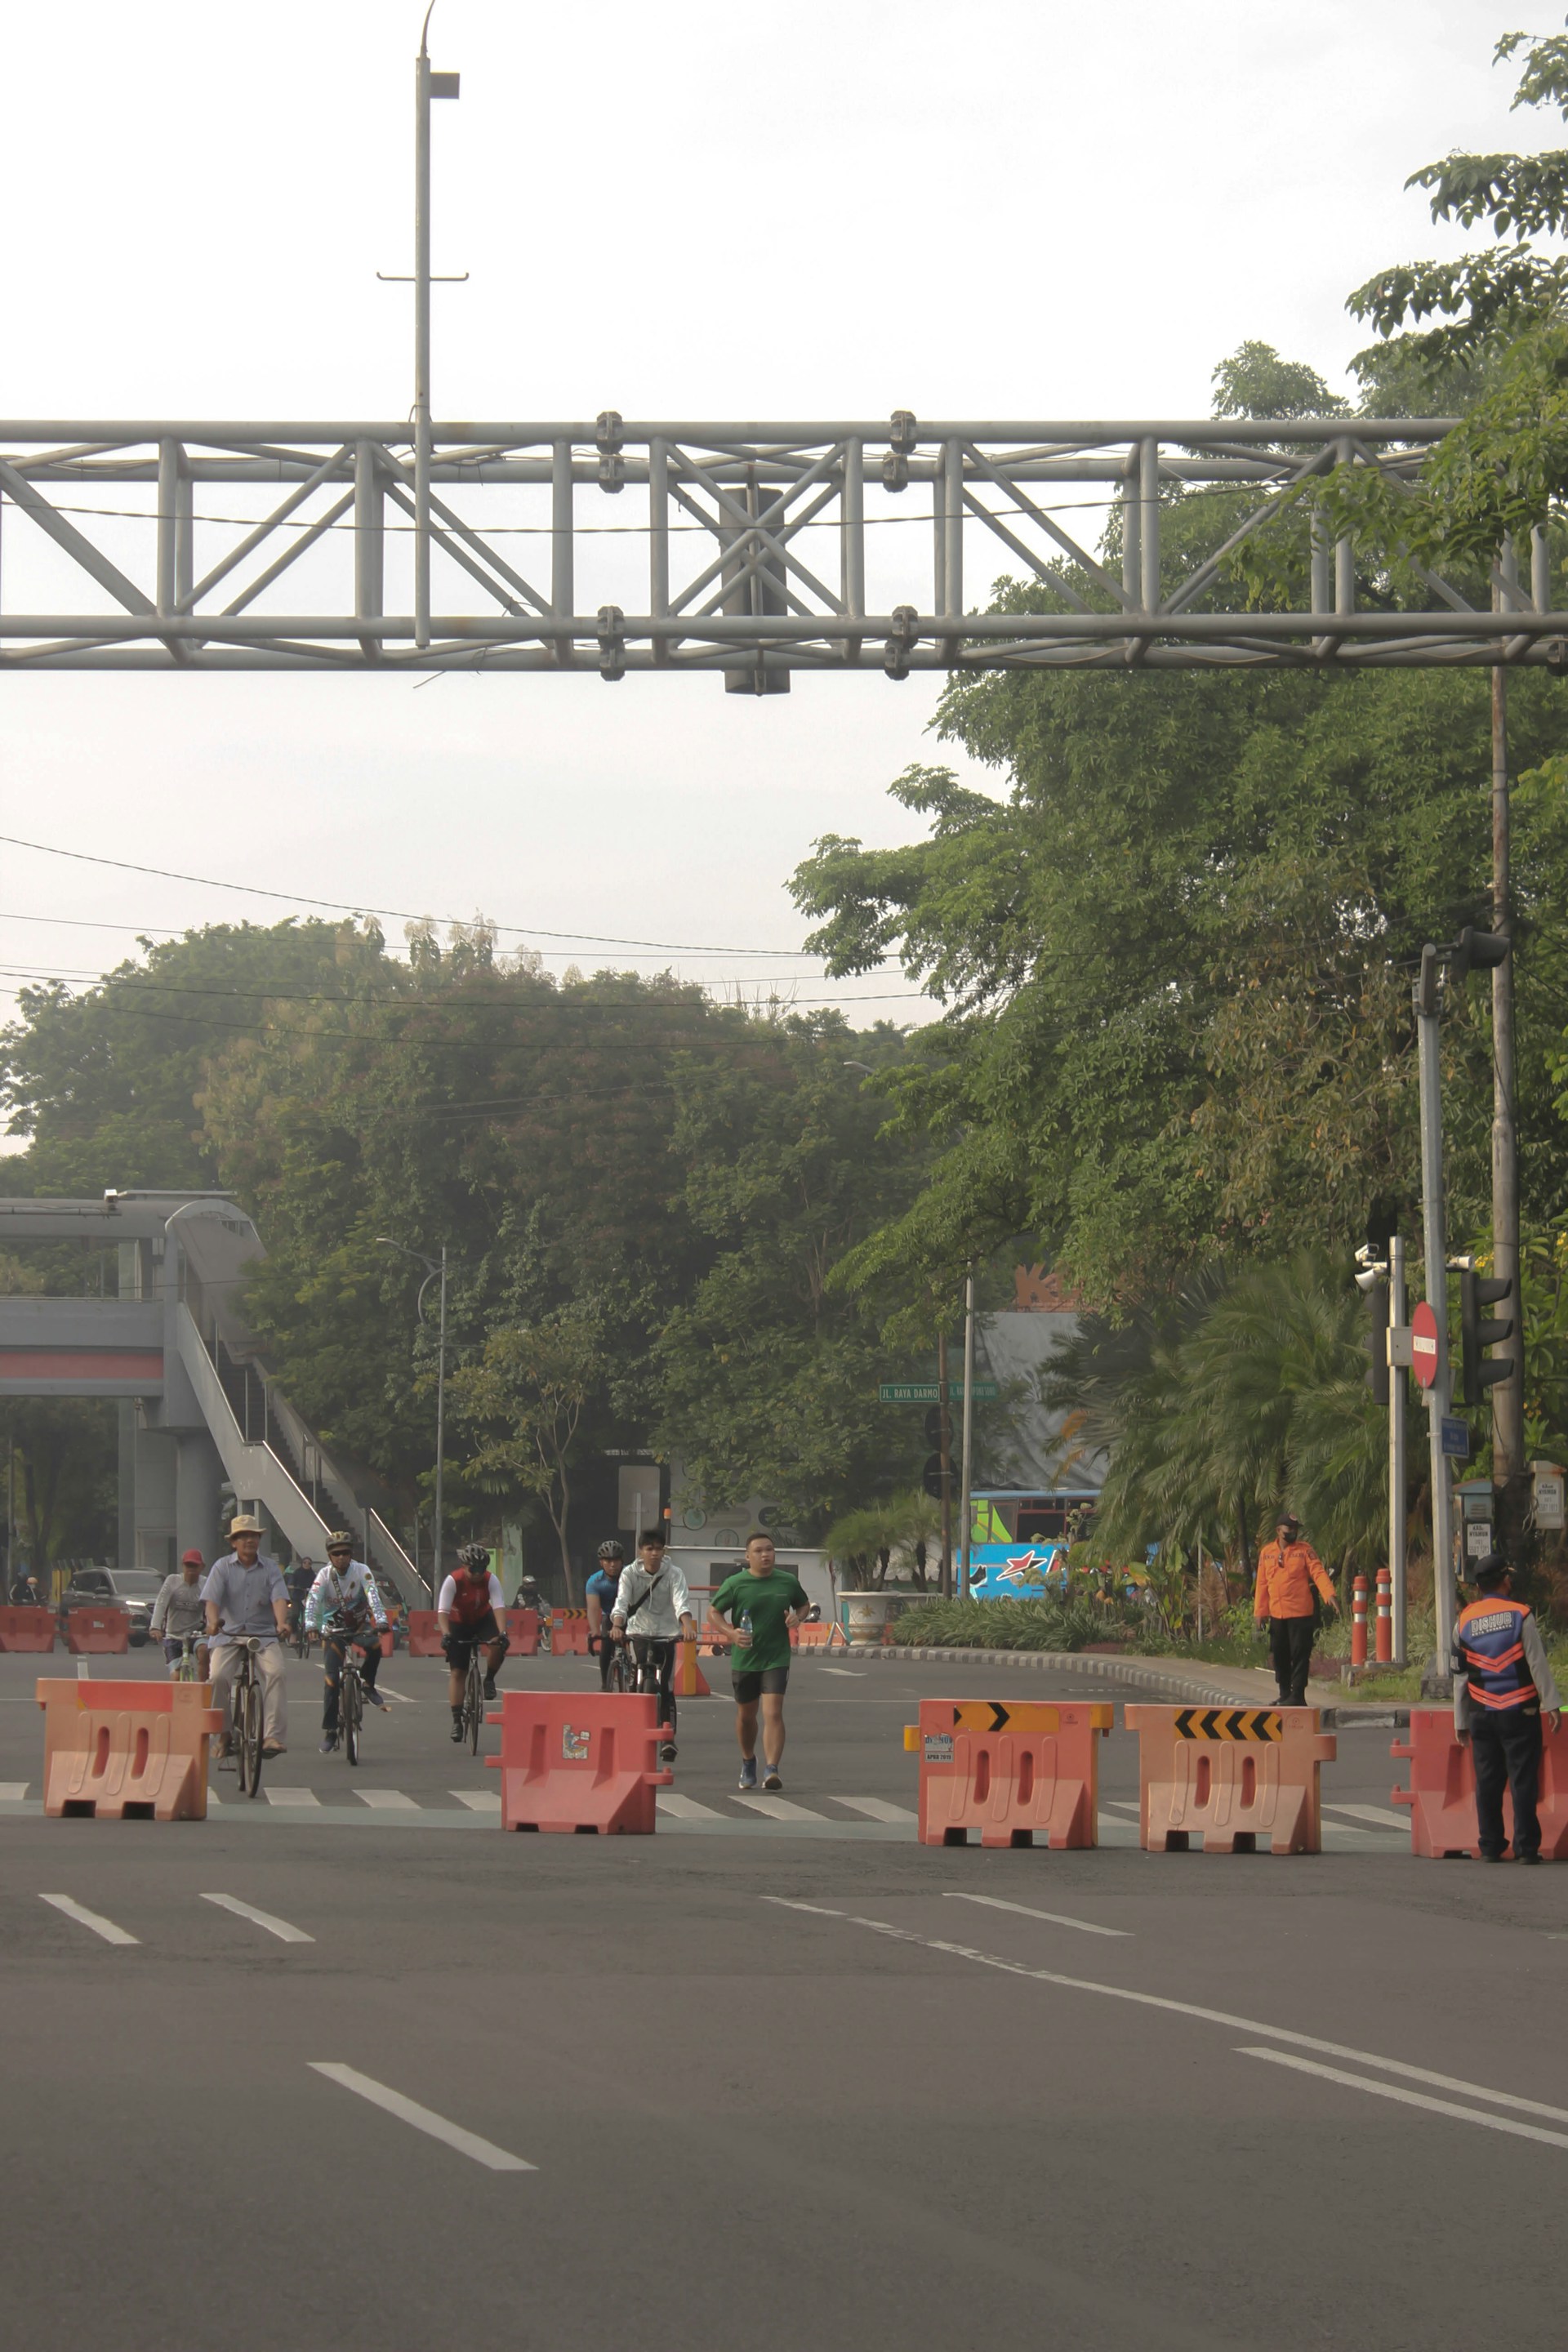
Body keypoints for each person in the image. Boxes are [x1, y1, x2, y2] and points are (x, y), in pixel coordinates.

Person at [1453, 1551, 1563, 1864]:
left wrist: (1460, 1721)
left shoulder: (1463, 1621)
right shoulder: (1520, 1615)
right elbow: (1537, 1663)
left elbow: (1460, 1677)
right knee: (1523, 1780)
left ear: (1478, 1588)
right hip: (1520, 1712)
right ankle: (1527, 1849)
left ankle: (1490, 1846)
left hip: (1481, 1715)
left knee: (1487, 1781)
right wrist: (1553, 1704)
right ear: (1505, 1581)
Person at [704, 1533, 811, 1793]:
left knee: (773, 1713)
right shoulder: (736, 1583)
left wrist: (798, 1618)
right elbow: (713, 1611)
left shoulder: (787, 1582)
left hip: (776, 1657)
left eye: (770, 1550)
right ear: (748, 1556)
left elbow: (804, 1605)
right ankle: (748, 1760)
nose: (766, 1555)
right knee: (746, 1716)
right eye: (760, 1551)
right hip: (745, 1658)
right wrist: (730, 1634)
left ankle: (772, 1768)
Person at [203, 1514, 291, 1757]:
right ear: (234, 1542)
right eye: (243, 1536)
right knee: (218, 1677)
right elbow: (212, 1600)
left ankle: (272, 1736)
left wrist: (282, 1622)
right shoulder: (222, 1567)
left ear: (259, 1539)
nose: (249, 1540)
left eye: (253, 1535)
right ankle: (224, 1734)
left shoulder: (270, 1568)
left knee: (277, 1673)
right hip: (228, 1634)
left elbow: (279, 1598)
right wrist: (212, 1623)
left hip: (262, 1634)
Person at [611, 1528, 697, 1765]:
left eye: (659, 1548)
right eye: (650, 1549)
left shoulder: (675, 1573)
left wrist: (687, 1626)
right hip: (638, 1632)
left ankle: (668, 1737)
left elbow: (681, 1601)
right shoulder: (629, 1573)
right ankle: (633, 1724)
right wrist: (617, 1625)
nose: (655, 1553)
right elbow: (621, 1602)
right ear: (641, 1551)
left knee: (667, 1687)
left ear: (664, 1550)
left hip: (667, 1634)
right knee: (637, 1678)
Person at [306, 1533, 390, 1755]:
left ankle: (368, 1684)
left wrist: (381, 1621)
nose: (341, 1557)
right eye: (336, 1554)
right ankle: (331, 1730)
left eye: (345, 1553)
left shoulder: (362, 1570)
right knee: (332, 1681)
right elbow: (313, 1600)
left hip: (360, 1626)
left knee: (375, 1647)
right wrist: (310, 1626)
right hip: (333, 1631)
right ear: (330, 1556)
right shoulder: (323, 1575)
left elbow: (373, 1595)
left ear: (351, 1554)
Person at [1252, 1512, 1337, 1707]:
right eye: (1289, 1529)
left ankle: (1297, 1695)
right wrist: (1260, 1611)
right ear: (1278, 1530)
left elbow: (1318, 1572)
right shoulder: (1267, 1553)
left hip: (1300, 1614)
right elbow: (1262, 1583)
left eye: (1295, 1529)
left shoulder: (1305, 1551)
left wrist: (1329, 1594)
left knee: (1300, 1655)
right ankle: (1284, 1693)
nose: (1293, 1533)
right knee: (1280, 1655)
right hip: (1277, 1614)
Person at [437, 1542, 510, 1743]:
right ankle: (456, 1720)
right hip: (458, 1623)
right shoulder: (453, 1580)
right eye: (473, 1569)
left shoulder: (490, 1580)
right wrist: (445, 1634)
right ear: (464, 1566)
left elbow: (499, 1607)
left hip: (482, 1619)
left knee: (497, 1643)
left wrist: (503, 1632)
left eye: (481, 1569)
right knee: (458, 1672)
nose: (477, 1573)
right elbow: (442, 1612)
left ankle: (489, 1679)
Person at [150, 1547, 211, 1678]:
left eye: (195, 1566)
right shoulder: (173, 1581)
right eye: (188, 1565)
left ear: (202, 1567)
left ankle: (203, 1691)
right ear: (182, 1566)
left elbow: (212, 1607)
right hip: (173, 1636)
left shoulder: (205, 1584)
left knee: (204, 1651)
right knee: (176, 1677)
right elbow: (161, 1604)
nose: (191, 1569)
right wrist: (155, 1627)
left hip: (195, 1635)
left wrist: (212, 1625)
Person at [586, 1539, 626, 1691]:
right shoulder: (594, 1581)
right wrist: (595, 1629)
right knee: (606, 1646)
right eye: (608, 1561)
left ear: (622, 1561)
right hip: (608, 1615)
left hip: (632, 1615)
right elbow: (594, 1608)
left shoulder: (629, 1576)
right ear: (601, 1563)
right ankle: (605, 1683)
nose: (613, 1565)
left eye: (616, 1560)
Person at [285, 1553, 315, 1644]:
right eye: (305, 1562)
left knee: (311, 1617)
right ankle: (293, 1634)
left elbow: (316, 1584)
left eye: (309, 1563)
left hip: (308, 1598)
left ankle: (311, 1635)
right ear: (302, 1564)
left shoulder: (313, 1575)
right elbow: (291, 1582)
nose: (307, 1565)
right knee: (295, 1615)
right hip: (297, 1598)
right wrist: (292, 1586)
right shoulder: (297, 1573)